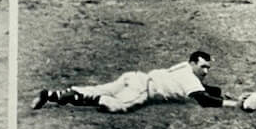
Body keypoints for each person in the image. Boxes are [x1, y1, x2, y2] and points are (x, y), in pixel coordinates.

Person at [31, 50, 244, 114]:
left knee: (94, 89)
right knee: (114, 104)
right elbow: (203, 100)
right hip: (142, 90)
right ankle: (101, 100)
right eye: (203, 66)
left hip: (135, 77)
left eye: (208, 67)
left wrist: (221, 94)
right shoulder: (190, 78)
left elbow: (203, 91)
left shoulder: (184, 68)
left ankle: (51, 95)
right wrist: (233, 104)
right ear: (193, 63)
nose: (205, 70)